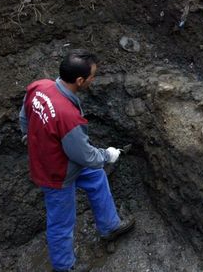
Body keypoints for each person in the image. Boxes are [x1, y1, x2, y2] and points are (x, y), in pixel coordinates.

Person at [19, 49, 134, 272]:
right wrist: (107, 155)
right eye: (92, 77)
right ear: (79, 80)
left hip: (62, 156)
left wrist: (27, 134)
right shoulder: (67, 116)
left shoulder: (40, 86)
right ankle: (64, 267)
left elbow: (24, 113)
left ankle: (109, 226)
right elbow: (84, 155)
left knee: (96, 177)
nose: (94, 80)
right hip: (56, 172)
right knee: (61, 223)